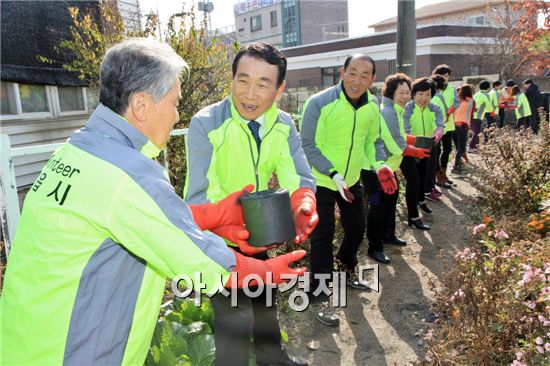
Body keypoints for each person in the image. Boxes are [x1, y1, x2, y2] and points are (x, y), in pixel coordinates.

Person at [0, 38, 307, 365]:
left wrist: (214, 214)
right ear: (142, 105)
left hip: (25, 340)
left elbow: (137, 217)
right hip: (73, 350)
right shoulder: (128, 173)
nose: (176, 116)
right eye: (174, 103)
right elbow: (201, 264)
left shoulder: (75, 152)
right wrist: (265, 271)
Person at [184, 43, 316, 366]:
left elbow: (297, 174)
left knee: (265, 304)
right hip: (219, 240)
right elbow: (196, 196)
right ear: (231, 79)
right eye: (243, 80)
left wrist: (304, 205)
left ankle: (274, 359)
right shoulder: (206, 124)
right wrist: (219, 223)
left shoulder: (283, 124)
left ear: (279, 89)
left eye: (263, 84)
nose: (250, 94)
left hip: (259, 233)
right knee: (235, 321)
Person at [301, 54, 397, 325]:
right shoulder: (319, 103)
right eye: (352, 72)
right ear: (342, 72)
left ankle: (345, 267)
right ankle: (319, 296)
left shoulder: (372, 106)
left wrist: (379, 164)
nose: (357, 80)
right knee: (322, 235)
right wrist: (332, 173)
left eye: (364, 75)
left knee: (357, 228)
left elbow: (372, 140)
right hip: (322, 179)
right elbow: (308, 144)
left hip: (352, 178)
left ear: (373, 79)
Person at [362, 73, 430, 264]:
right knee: (378, 207)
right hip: (373, 169)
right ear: (391, 92)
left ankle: (388, 235)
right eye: (401, 92)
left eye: (407, 92)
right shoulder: (388, 112)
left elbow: (399, 136)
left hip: (387, 168)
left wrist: (414, 141)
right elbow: (395, 145)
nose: (405, 96)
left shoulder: (397, 110)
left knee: (391, 200)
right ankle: (374, 247)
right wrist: (416, 151)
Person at [402, 77, 445, 229]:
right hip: (409, 150)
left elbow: (441, 123)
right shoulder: (407, 108)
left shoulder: (434, 108)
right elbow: (405, 129)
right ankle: (413, 216)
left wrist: (439, 132)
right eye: (420, 94)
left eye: (427, 94)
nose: (424, 98)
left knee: (423, 176)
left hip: (427, 146)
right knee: (413, 182)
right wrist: (413, 144)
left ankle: (421, 201)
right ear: (413, 94)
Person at [432, 64, 459, 188]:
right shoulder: (433, 88)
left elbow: (456, 103)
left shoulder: (452, 89)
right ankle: (438, 175)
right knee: (436, 151)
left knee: (448, 149)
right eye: (442, 76)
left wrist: (450, 111)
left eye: (447, 76)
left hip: (448, 124)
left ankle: (444, 173)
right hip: (436, 125)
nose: (445, 78)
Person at [430, 74, 452, 190]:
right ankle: (439, 177)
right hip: (439, 128)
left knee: (438, 153)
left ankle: (440, 176)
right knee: (438, 153)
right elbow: (445, 113)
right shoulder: (438, 96)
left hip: (438, 128)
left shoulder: (433, 96)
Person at [451, 84, 475, 176]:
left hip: (453, 125)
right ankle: (456, 168)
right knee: (461, 148)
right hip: (463, 125)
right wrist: (469, 126)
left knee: (458, 147)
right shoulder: (470, 101)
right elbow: (469, 114)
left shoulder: (456, 100)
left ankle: (459, 165)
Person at [470, 80, 493, 151]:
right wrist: (491, 111)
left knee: (475, 132)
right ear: (488, 88)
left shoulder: (475, 94)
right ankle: (472, 147)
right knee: (476, 133)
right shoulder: (486, 95)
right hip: (478, 116)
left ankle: (475, 147)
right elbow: (489, 107)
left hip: (471, 115)